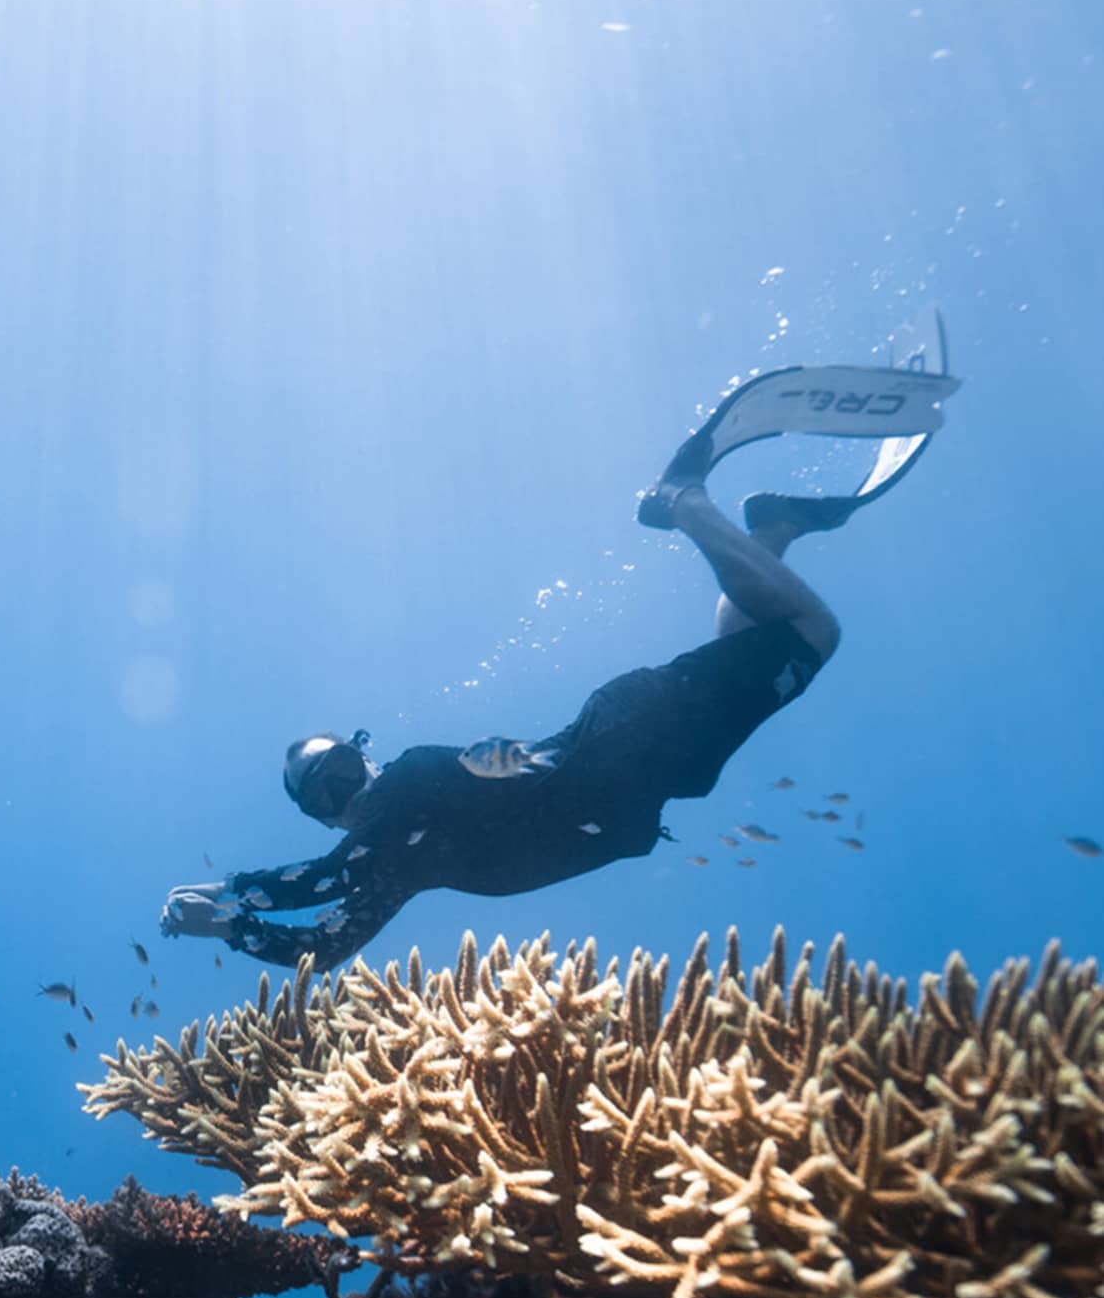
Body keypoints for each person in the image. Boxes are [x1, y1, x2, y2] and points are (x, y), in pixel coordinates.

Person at [160, 358, 947, 973]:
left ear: (366, 758)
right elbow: (326, 939)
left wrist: (233, 907)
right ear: (325, 811)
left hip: (635, 742)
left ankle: (684, 499)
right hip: (646, 767)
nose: (349, 790)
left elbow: (325, 878)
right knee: (763, 641)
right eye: (329, 791)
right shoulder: (399, 863)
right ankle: (767, 532)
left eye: (343, 768)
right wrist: (233, 910)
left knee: (815, 631)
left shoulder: (398, 793)